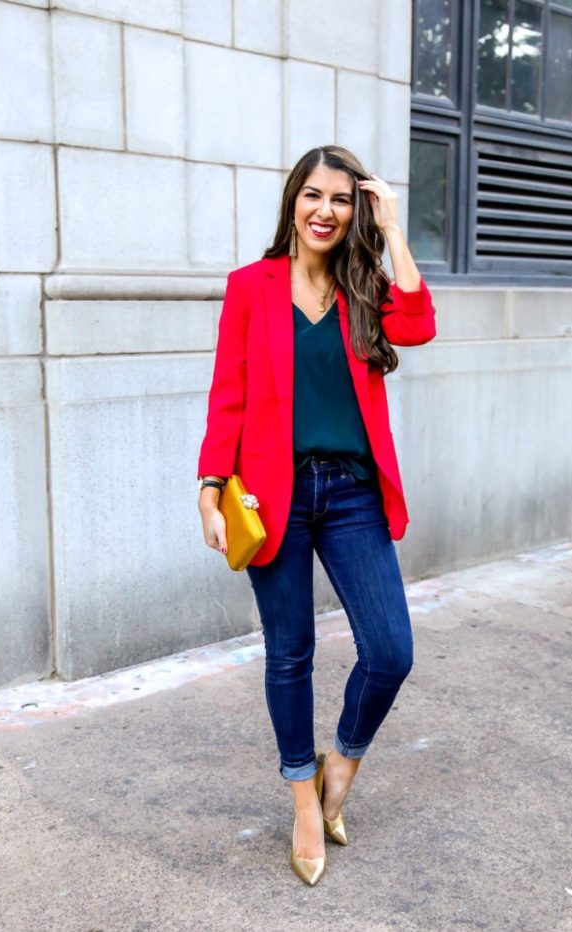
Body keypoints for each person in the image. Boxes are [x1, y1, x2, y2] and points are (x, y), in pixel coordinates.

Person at [197, 145, 436, 886]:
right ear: (292, 202)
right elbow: (227, 393)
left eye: (340, 199)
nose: (324, 211)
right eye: (312, 195)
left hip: (353, 493)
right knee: (290, 651)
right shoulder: (251, 287)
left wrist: (392, 228)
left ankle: (344, 762)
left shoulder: (366, 285)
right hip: (273, 495)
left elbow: (419, 326)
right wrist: (210, 484)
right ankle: (303, 796)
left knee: (390, 651)